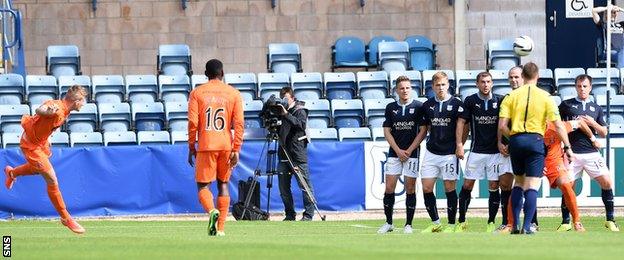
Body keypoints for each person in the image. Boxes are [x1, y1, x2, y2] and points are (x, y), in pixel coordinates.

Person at [498, 62, 574, 234]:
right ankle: (528, 226)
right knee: (532, 185)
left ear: (523, 77)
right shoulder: (546, 97)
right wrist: (567, 147)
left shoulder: (511, 96)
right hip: (535, 140)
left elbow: (502, 126)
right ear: (537, 76)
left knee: (518, 182)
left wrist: (514, 139)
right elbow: (559, 126)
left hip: (516, 140)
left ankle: (514, 225)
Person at [4, 85, 87, 234]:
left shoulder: (65, 111)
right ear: (77, 101)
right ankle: (65, 217)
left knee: (39, 170)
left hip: (40, 143)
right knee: (52, 179)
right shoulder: (57, 107)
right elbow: (40, 110)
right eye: (83, 101)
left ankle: (12, 173)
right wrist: (46, 111)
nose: (84, 104)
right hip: (31, 145)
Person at [188, 59, 244, 236]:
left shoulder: (197, 93)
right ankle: (220, 229)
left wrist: (191, 146)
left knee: (203, 186)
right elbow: (239, 123)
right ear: (223, 73)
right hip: (226, 145)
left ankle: (212, 211)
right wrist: (236, 148)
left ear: (206, 74)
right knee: (223, 184)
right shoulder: (233, 93)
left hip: (206, 145)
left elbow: (193, 123)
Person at [558, 74, 619, 232]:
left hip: (592, 153)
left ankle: (610, 219)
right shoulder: (566, 105)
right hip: (573, 153)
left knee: (607, 182)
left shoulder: (596, 108)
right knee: (568, 186)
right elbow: (557, 124)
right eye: (579, 86)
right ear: (575, 87)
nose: (582, 89)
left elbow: (604, 132)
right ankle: (566, 222)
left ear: (590, 88)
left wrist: (593, 124)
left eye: (585, 86)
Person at [456, 72, 510, 233]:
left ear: (492, 83)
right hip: (477, 151)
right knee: (467, 184)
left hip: (495, 152)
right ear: (477, 84)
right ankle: (462, 221)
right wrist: (459, 144)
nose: (485, 85)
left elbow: (505, 124)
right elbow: (462, 123)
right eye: (482, 82)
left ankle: (491, 222)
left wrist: (506, 144)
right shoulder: (471, 100)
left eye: (488, 82)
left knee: (494, 185)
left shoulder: (500, 100)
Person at [377, 76, 427, 234]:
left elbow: (423, 131)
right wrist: (398, 151)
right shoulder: (390, 107)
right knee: (389, 188)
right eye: (402, 88)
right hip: (394, 153)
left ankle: (408, 225)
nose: (405, 90)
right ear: (396, 90)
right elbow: (387, 131)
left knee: (410, 188)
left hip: (412, 154)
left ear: (411, 89)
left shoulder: (419, 106)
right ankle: (389, 222)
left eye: (407, 87)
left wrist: (410, 150)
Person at [496, 66, 539, 233]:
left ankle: (532, 222)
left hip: (519, 144)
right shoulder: (507, 98)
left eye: (517, 77)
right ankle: (509, 222)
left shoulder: (534, 97)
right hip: (509, 147)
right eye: (511, 77)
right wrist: (500, 142)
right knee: (507, 184)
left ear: (523, 77)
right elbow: (499, 125)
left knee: (526, 183)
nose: (514, 80)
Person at [419, 72, 464, 233]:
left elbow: (463, 126)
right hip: (431, 152)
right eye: (437, 85)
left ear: (448, 85)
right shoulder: (427, 105)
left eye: (443, 84)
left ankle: (451, 224)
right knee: (426, 188)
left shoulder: (457, 104)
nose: (440, 88)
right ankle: (435, 222)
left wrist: (460, 145)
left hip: (449, 154)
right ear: (432, 87)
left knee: (449, 188)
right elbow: (425, 128)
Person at [276, 87, 317, 221]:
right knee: (283, 188)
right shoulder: (279, 112)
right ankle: (289, 214)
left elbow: (300, 125)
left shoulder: (300, 110)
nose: (284, 101)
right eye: (282, 99)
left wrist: (286, 114)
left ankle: (309, 214)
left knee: (304, 185)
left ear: (292, 98)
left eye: (286, 98)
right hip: (283, 154)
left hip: (297, 154)